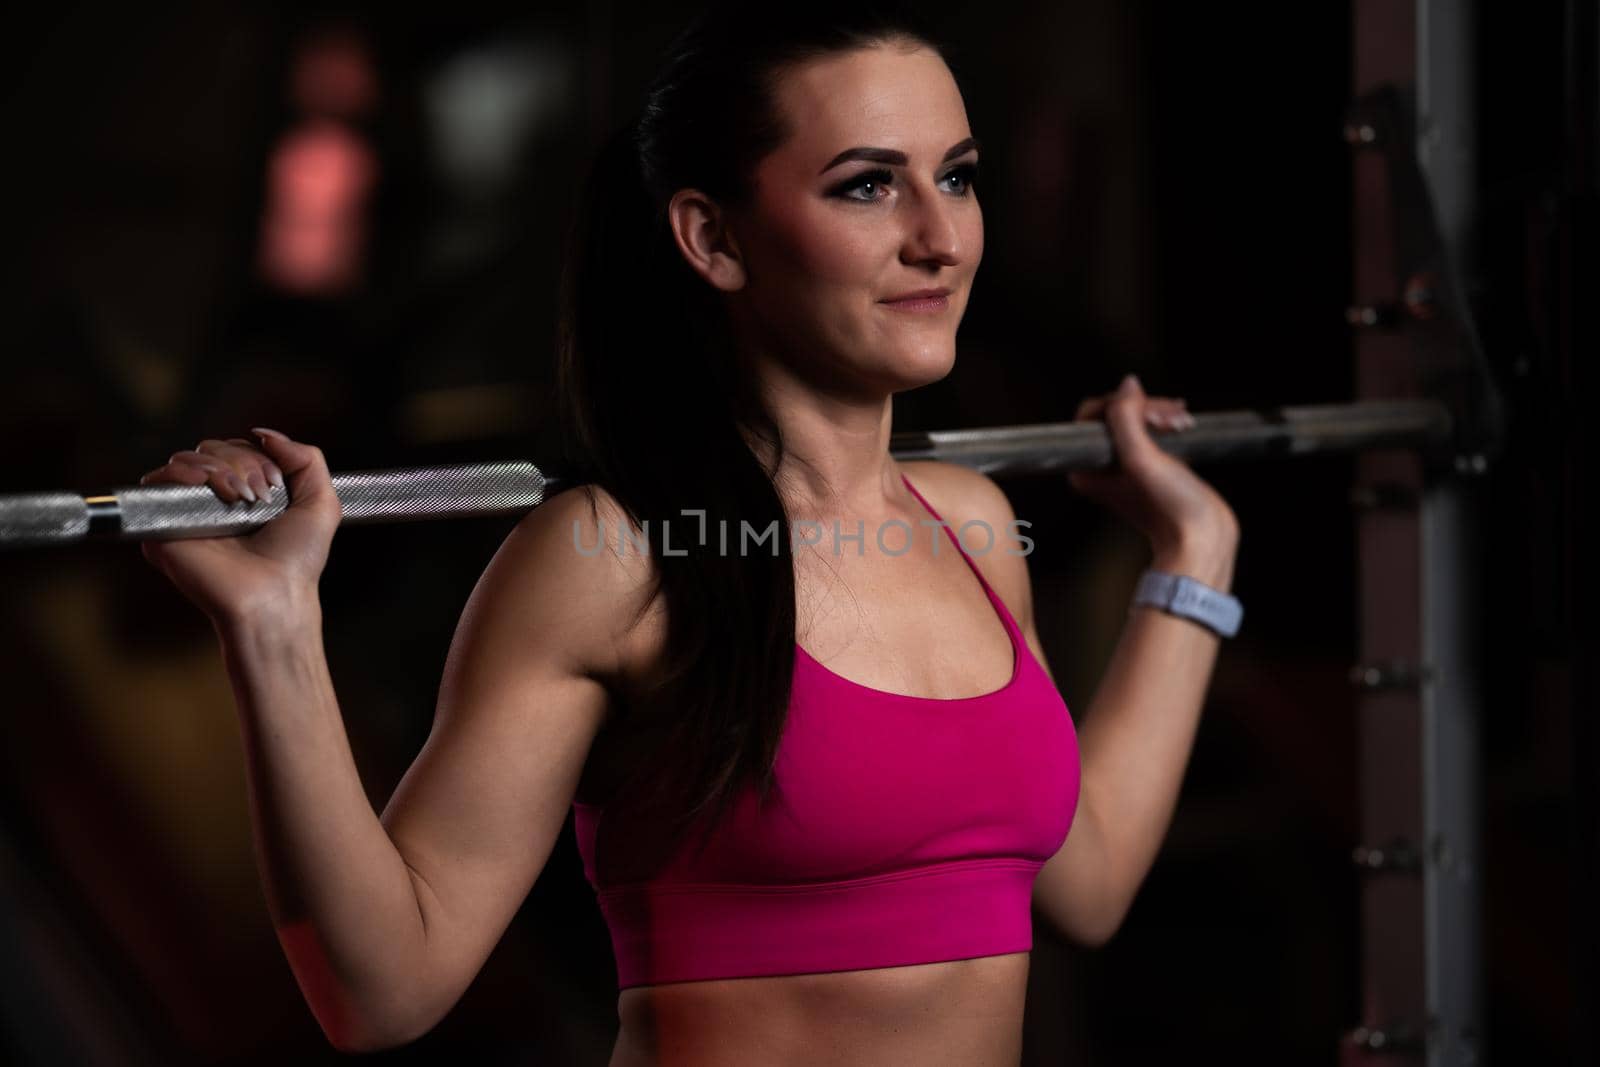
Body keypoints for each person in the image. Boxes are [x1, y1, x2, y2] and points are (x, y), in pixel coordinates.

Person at [139, 4, 1240, 1063]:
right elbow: (381, 991)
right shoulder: (611, 560)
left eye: (955, 176)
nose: (940, 237)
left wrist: (1194, 554)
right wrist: (274, 624)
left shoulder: (972, 523)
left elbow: (1082, 881)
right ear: (711, 236)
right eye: (867, 186)